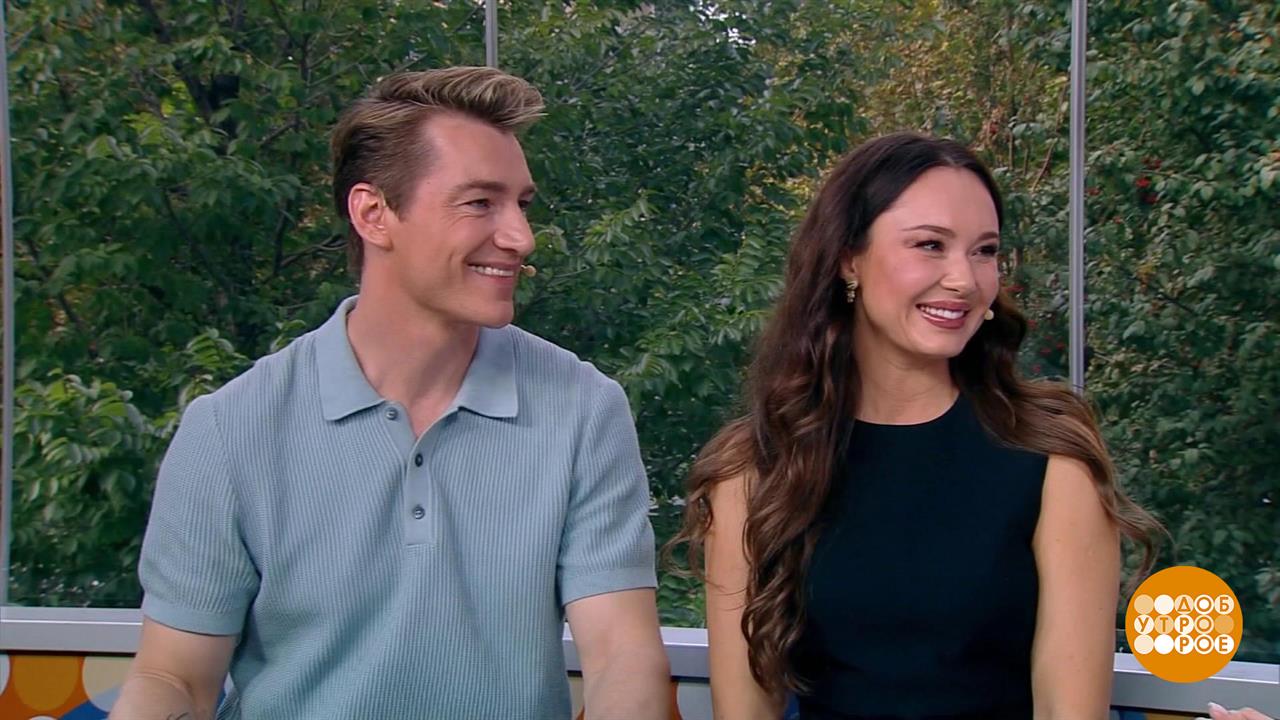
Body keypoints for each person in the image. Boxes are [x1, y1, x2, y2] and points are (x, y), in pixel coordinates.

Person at [111, 66, 669, 720]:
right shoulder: (229, 430)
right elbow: (175, 677)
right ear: (374, 214)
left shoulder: (584, 410)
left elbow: (623, 656)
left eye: (522, 204)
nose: (521, 237)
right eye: (480, 203)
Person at [673, 132, 1161, 719]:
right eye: (930, 245)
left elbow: (1069, 710)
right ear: (848, 258)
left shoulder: (1051, 455)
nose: (964, 279)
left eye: (984, 251)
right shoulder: (753, 470)